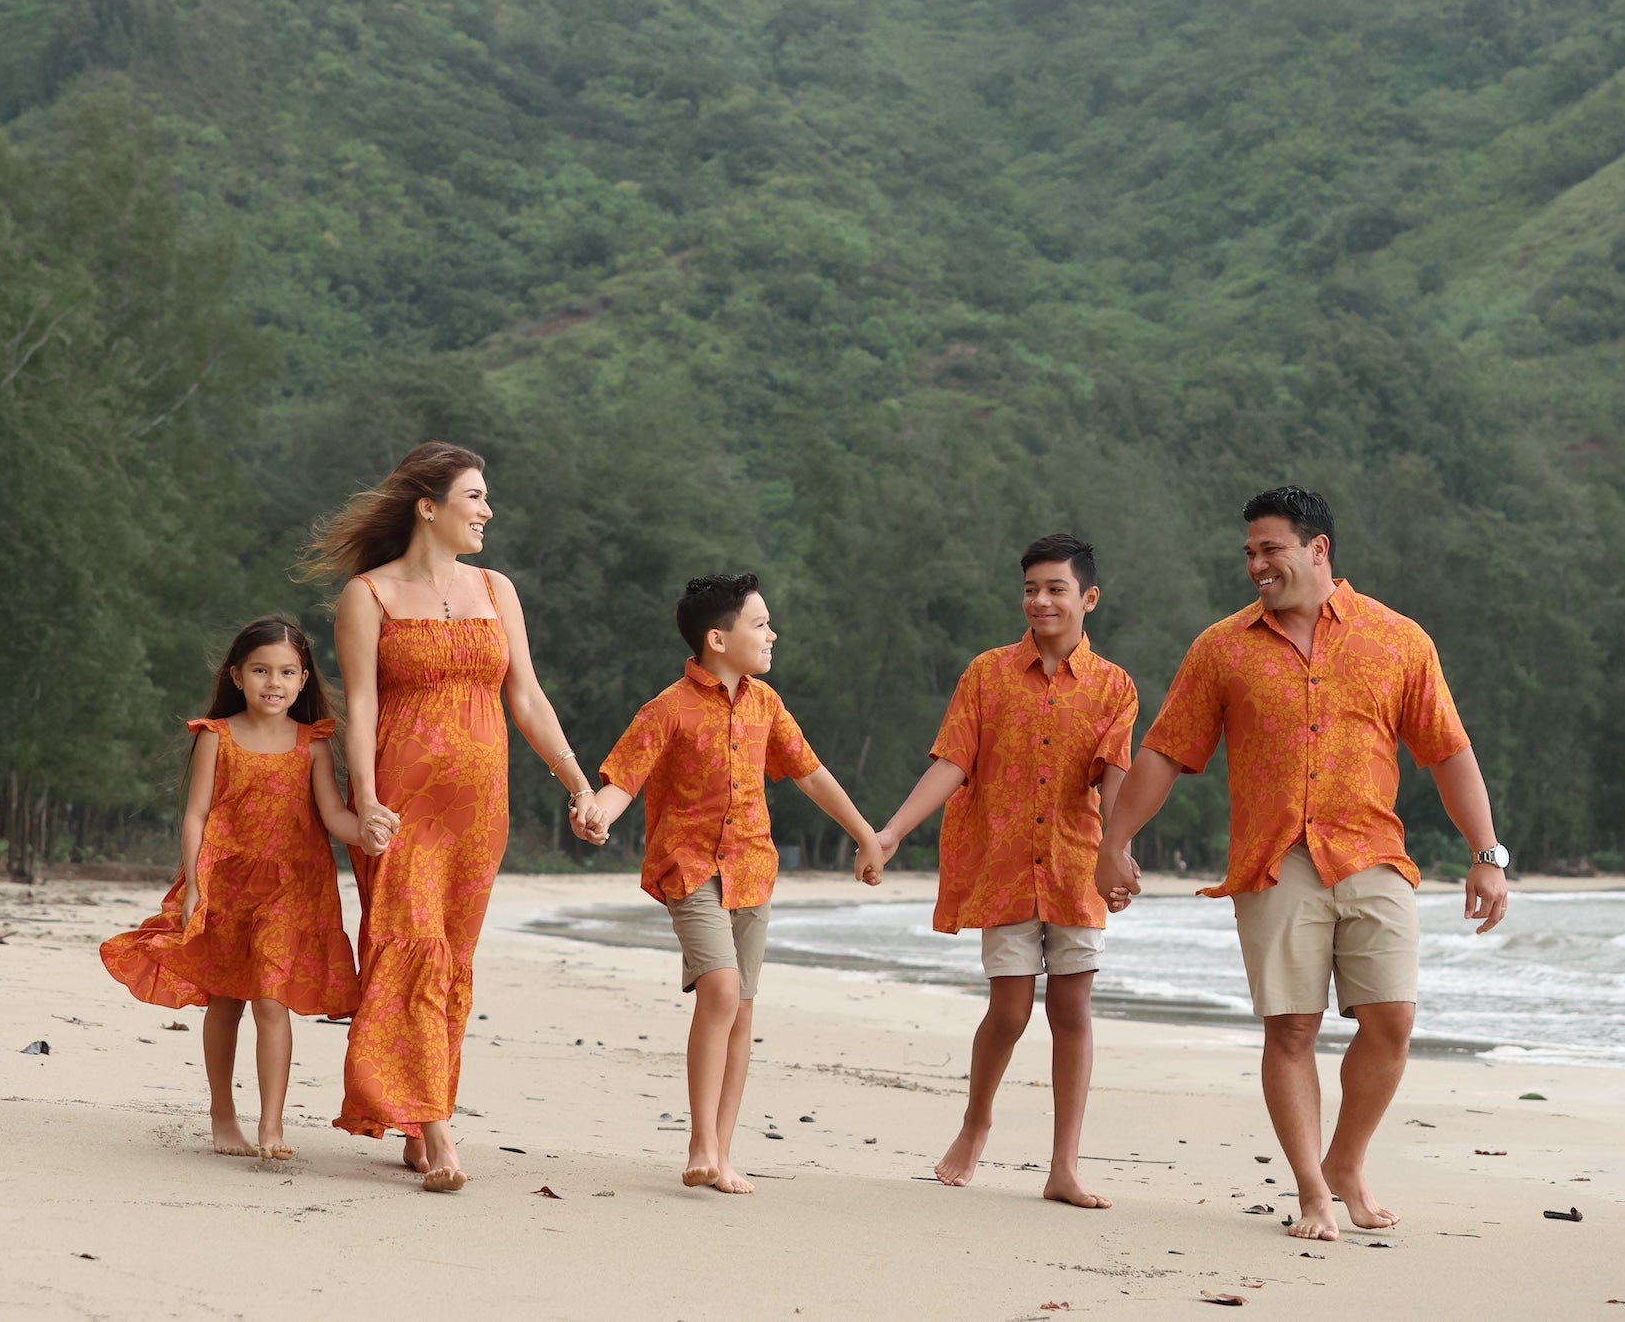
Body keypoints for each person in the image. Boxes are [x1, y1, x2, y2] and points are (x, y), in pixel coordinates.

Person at [1096, 486, 1509, 1242]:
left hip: (1372, 854)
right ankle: (1313, 1190)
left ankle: (1346, 1161)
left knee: (1392, 1020)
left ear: (1318, 550)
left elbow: (1448, 752)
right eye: (1249, 551)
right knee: (1291, 1029)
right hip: (1273, 859)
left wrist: (1487, 855)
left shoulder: (1398, 639)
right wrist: (1113, 843)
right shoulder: (1221, 647)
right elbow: (1164, 753)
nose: (1255, 564)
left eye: (1270, 549)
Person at [303, 439, 596, 1193]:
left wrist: (576, 782)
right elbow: (360, 708)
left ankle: (415, 1112)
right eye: (474, 497)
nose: (487, 511)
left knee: (452, 961)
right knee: (410, 948)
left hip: (479, 813)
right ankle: (438, 1132)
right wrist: (366, 800)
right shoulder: (367, 597)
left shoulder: (496, 589)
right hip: (400, 809)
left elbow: (526, 698)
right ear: (427, 507)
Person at [574, 571, 884, 1195]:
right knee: (720, 988)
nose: (773, 634)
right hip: (688, 870)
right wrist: (596, 813)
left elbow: (812, 775)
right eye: (761, 624)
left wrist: (866, 834)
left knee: (740, 1008)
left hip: (753, 869)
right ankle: (700, 1142)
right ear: (718, 638)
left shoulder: (767, 706)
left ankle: (724, 1151)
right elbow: (623, 781)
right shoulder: (666, 709)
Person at [873, 532, 1137, 1206]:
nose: (1040, 600)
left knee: (1072, 1010)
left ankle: (1064, 1167)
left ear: (1090, 598)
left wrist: (1120, 849)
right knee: (1010, 1009)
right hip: (1004, 865)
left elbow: (1113, 781)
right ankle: (976, 1120)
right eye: (1030, 589)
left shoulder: (1114, 686)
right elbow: (953, 762)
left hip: (1077, 868)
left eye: (1055, 588)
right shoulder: (987, 674)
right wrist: (894, 831)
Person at [101, 615, 360, 1160]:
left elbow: (334, 815)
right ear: (237, 676)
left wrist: (369, 827)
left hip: (292, 886)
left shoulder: (312, 743)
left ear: (304, 680)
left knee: (272, 1000)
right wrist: (194, 884)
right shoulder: (215, 736)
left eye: (288, 672)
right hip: (225, 881)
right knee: (224, 1003)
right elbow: (195, 815)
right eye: (261, 670)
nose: (274, 682)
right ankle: (223, 1113)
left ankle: (272, 1126)